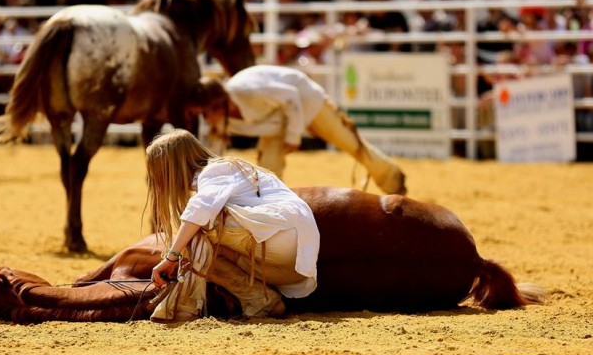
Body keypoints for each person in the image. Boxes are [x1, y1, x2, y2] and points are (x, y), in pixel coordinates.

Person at [147, 129, 320, 323]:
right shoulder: (231, 170)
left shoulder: (215, 170)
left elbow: (201, 209)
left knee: (197, 229)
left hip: (281, 242)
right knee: (203, 253)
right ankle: (262, 301)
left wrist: (171, 257)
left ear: (172, 165)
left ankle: (181, 308)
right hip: (289, 261)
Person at [188, 65, 407, 195]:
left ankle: (393, 180)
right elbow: (214, 151)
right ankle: (269, 202)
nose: (205, 119)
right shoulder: (220, 118)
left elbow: (292, 96)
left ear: (217, 105)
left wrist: (294, 136)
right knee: (268, 167)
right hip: (279, 122)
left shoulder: (248, 90)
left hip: (308, 101)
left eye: (206, 113)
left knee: (350, 143)